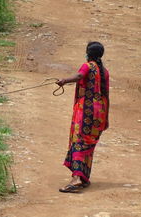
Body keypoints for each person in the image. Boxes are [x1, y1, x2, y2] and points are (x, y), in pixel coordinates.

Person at [56, 41, 110, 193]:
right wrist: (106, 118)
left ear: (89, 53)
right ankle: (84, 177)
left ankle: (77, 179)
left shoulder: (87, 66)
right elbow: (107, 96)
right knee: (89, 144)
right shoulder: (104, 72)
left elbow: (80, 75)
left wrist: (64, 81)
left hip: (86, 111)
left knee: (79, 141)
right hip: (100, 114)